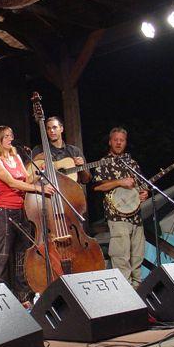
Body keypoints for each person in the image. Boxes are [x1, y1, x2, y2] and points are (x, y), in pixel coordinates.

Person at [0, 126, 55, 306]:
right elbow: (12, 183)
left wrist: (39, 170)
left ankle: (23, 297)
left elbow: (26, 180)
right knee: (1, 256)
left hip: (22, 210)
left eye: (11, 135)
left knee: (23, 255)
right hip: (5, 211)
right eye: (6, 136)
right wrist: (38, 189)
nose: (11, 138)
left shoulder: (17, 157)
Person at [92, 127, 148, 286]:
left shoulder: (132, 163)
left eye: (121, 140)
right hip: (117, 216)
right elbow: (97, 187)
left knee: (137, 255)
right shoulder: (104, 162)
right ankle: (127, 290)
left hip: (136, 216)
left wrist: (144, 193)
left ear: (125, 142)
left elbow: (142, 186)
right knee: (121, 255)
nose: (118, 143)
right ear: (110, 142)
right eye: (115, 140)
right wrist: (119, 182)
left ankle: (138, 287)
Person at [30, 116, 91, 184]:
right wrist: (35, 159)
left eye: (54, 127)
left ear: (61, 129)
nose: (51, 131)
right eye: (48, 128)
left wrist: (81, 167)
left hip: (71, 188)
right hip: (48, 189)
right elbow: (26, 173)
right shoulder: (39, 150)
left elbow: (86, 180)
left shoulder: (74, 151)